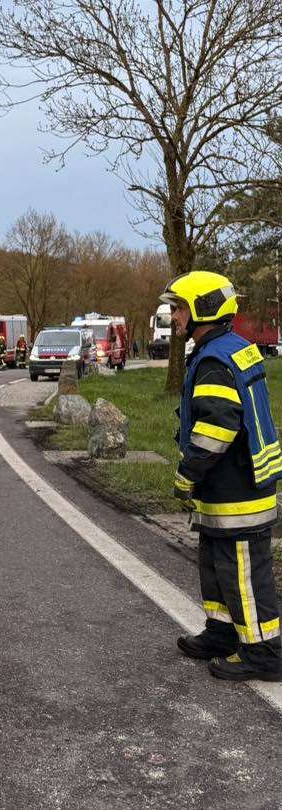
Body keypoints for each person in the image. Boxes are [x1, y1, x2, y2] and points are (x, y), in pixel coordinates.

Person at [160, 270, 281, 681]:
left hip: (237, 491)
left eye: (177, 308)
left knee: (243, 574)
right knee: (216, 565)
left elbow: (217, 428)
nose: (172, 315)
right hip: (234, 486)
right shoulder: (232, 348)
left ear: (201, 308)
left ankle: (265, 653)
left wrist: (186, 474)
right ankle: (222, 633)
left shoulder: (213, 360)